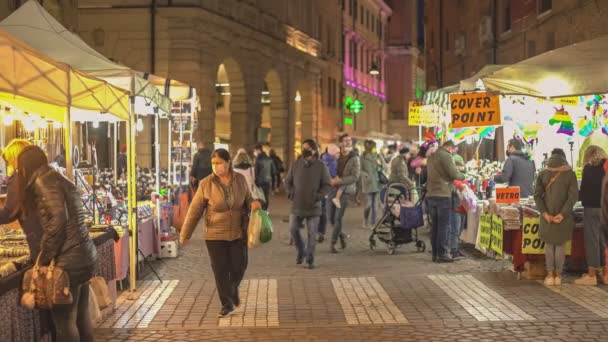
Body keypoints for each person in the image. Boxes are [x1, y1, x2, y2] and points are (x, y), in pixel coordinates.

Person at [17, 145, 98, 341]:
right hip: (83, 254)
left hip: (69, 261)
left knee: (64, 322)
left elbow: (57, 222)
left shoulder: (43, 182)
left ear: (26, 167)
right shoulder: (56, 177)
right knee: (80, 316)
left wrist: (42, 257)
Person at [180, 149, 262, 317]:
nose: (216, 167)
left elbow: (248, 200)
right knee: (220, 270)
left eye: (219, 163)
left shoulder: (239, 180)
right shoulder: (206, 184)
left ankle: (232, 291)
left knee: (239, 266)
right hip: (215, 235)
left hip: (238, 232)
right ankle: (227, 304)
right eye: (214, 163)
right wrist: (185, 234)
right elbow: (194, 211)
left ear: (228, 163)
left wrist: (254, 203)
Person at [534, 148, 578, 287]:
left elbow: (537, 195)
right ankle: (558, 276)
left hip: (547, 215)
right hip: (563, 217)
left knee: (548, 244)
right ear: (564, 157)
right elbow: (573, 197)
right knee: (560, 245)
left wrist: (545, 213)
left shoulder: (543, 173)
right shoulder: (570, 174)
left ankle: (549, 275)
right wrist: (562, 214)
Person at [285, 139, 331, 269]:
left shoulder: (321, 166)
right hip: (297, 205)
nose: (304, 150)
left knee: (312, 234)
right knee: (293, 229)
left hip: (314, 206)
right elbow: (287, 182)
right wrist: (291, 193)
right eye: (303, 148)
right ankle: (301, 251)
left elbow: (327, 185)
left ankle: (310, 259)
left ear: (314, 150)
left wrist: (318, 196)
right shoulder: (295, 164)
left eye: (307, 148)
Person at [0, 139, 41, 259]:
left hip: (39, 238)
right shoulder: (40, 174)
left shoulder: (20, 178)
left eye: (9, 160)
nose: (9, 165)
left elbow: (10, 212)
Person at [426, 140, 465, 263]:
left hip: (431, 194)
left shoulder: (432, 156)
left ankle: (435, 254)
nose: (454, 152)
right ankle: (442, 254)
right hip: (443, 194)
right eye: (453, 149)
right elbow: (453, 174)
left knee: (435, 226)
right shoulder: (446, 156)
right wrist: (462, 175)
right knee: (444, 226)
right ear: (449, 147)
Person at [575, 145, 607, 285]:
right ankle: (605, 273)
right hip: (605, 208)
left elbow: (583, 191)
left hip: (591, 208)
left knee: (592, 240)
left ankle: (592, 274)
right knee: (603, 239)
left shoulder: (588, 169)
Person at [328, 134, 360, 253]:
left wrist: (340, 180)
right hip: (332, 189)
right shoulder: (335, 155)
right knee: (330, 218)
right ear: (341, 143)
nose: (348, 142)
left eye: (349, 140)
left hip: (345, 190)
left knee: (338, 218)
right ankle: (341, 235)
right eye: (345, 140)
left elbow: (355, 176)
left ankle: (333, 242)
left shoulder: (355, 157)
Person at [360, 140, 387, 229]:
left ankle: (373, 223)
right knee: (368, 204)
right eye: (374, 147)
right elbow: (359, 169)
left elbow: (384, 167)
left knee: (375, 206)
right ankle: (365, 219)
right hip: (368, 184)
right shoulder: (362, 157)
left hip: (377, 183)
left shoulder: (378, 155)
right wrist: (365, 175)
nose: (375, 149)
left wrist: (380, 165)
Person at [319, 144, 341, 242]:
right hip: (329, 189)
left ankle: (319, 232)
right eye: (337, 152)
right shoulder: (331, 162)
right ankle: (337, 234)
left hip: (321, 189)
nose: (339, 154)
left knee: (322, 211)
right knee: (328, 214)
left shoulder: (322, 159)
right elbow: (334, 176)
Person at [254, 144, 275, 210]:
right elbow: (273, 171)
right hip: (268, 181)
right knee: (266, 196)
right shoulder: (269, 158)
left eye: (254, 151)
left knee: (260, 197)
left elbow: (256, 171)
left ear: (258, 150)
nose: (254, 152)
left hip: (259, 182)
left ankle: (262, 211)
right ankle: (265, 210)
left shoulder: (258, 159)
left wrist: (255, 181)